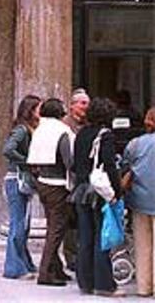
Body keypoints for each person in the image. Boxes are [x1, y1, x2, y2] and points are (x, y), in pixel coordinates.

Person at [72, 97, 123, 297]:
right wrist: (116, 192)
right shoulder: (106, 135)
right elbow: (110, 166)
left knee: (85, 237)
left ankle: (85, 282)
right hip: (99, 192)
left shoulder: (82, 133)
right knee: (102, 236)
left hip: (81, 190)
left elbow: (75, 164)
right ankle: (103, 284)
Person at [27, 97, 74, 287]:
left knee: (53, 226)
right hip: (58, 183)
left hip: (43, 182)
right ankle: (45, 272)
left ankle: (57, 268)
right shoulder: (62, 131)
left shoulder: (40, 129)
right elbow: (69, 161)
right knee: (56, 229)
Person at [2, 94, 42, 280]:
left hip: (19, 179)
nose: (41, 112)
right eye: (38, 108)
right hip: (15, 180)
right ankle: (14, 268)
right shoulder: (22, 130)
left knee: (23, 225)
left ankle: (24, 263)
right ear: (31, 110)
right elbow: (8, 149)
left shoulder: (29, 129)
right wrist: (26, 161)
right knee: (18, 225)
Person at [123, 106, 155, 298]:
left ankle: (144, 286)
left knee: (142, 244)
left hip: (139, 199)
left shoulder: (135, 144)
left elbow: (125, 165)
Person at [62, 88, 91, 271]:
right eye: (82, 103)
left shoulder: (87, 124)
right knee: (70, 220)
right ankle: (71, 257)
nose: (86, 107)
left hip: (85, 179)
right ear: (72, 105)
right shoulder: (65, 125)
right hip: (70, 179)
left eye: (87, 103)